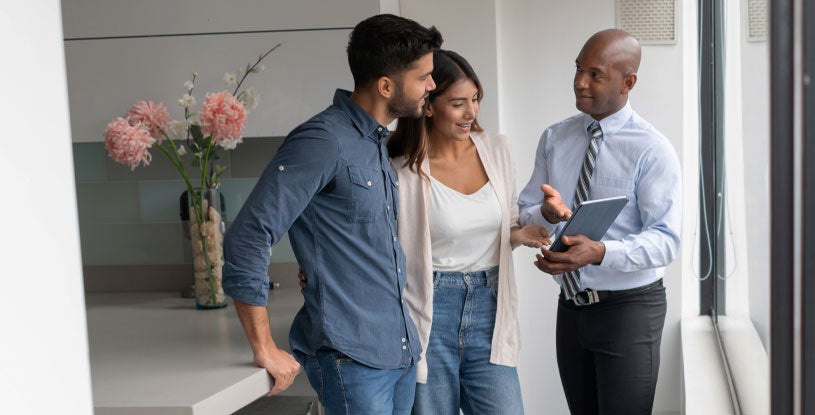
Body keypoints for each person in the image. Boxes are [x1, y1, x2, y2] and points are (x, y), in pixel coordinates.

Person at [303, 49, 550, 414]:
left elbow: (507, 222)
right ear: (429, 105)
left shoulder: (498, 149)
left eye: (476, 100)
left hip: (489, 306)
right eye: (458, 103)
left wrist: (523, 232)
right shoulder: (398, 168)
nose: (471, 113)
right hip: (428, 312)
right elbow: (371, 240)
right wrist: (316, 267)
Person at [220, 14, 442, 415]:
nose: (432, 85)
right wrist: (264, 346)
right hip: (352, 361)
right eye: (423, 76)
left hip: (399, 352)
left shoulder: (375, 141)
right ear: (386, 86)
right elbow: (249, 235)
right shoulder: (322, 140)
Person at [517, 29, 682, 414]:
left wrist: (599, 252)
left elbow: (667, 240)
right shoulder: (555, 137)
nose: (579, 82)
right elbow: (523, 210)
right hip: (571, 308)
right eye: (578, 69)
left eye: (595, 74)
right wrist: (546, 214)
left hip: (629, 312)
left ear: (628, 82)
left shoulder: (652, 149)